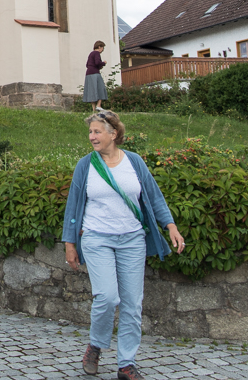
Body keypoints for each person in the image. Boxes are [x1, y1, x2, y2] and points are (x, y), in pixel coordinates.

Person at [62, 110, 186, 379]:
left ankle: (126, 363)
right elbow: (73, 206)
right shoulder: (86, 165)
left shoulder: (134, 162)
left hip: (132, 239)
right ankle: (95, 344)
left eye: (97, 132)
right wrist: (70, 243)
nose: (92, 137)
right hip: (97, 238)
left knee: (132, 303)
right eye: (91, 132)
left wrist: (171, 227)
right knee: (106, 297)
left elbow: (153, 196)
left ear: (113, 134)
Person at [84, 41, 108, 112]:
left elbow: (87, 64)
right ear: (99, 47)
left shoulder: (91, 54)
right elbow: (97, 62)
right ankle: (99, 105)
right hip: (95, 73)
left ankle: (94, 109)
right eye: (102, 48)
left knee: (92, 91)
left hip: (88, 74)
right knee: (101, 88)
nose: (102, 50)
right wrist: (103, 63)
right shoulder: (97, 53)